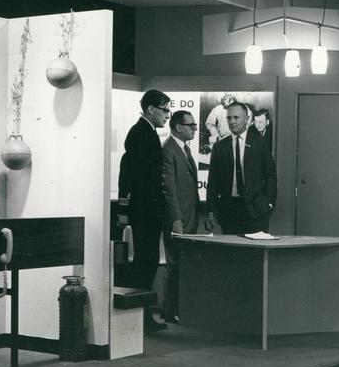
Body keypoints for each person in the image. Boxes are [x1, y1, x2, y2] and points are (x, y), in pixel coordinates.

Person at [117, 88, 171, 331]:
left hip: (148, 209)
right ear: (150, 109)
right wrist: (124, 207)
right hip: (145, 210)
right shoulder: (141, 133)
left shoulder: (146, 133)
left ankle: (143, 316)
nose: (167, 115)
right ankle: (141, 316)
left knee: (147, 261)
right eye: (164, 109)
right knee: (144, 262)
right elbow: (129, 174)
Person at [205, 102, 277, 235]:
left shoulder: (260, 144)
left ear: (247, 119)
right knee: (232, 254)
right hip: (229, 210)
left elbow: (270, 176)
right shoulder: (219, 147)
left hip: (257, 209)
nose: (232, 122)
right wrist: (210, 211)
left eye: (236, 117)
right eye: (229, 118)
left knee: (255, 254)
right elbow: (213, 182)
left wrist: (269, 203)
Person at [161, 110, 200, 324]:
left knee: (182, 265)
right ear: (178, 127)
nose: (194, 128)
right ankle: (170, 310)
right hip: (178, 220)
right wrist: (176, 219)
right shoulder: (169, 150)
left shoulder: (183, 149)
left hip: (188, 217)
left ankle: (178, 309)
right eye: (191, 125)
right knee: (175, 264)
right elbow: (169, 189)